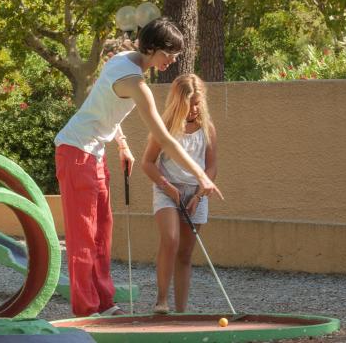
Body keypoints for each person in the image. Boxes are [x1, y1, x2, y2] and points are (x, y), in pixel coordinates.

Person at [54, 16, 222, 318]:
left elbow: (105, 106)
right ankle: (87, 311)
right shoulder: (136, 83)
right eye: (169, 53)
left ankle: (105, 303)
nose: (172, 60)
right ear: (153, 48)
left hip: (94, 152)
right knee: (84, 236)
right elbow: (166, 140)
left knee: (102, 233)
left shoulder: (122, 60)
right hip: (75, 151)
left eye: (176, 54)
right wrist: (201, 176)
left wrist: (122, 144)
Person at [141, 73, 218, 314]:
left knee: (185, 253)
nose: (195, 108)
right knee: (171, 240)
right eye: (190, 103)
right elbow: (147, 163)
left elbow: (211, 168)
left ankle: (181, 311)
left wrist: (198, 196)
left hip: (195, 194)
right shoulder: (164, 128)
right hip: (167, 189)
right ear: (178, 101)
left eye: (198, 102)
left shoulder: (207, 129)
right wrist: (167, 186)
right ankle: (161, 301)